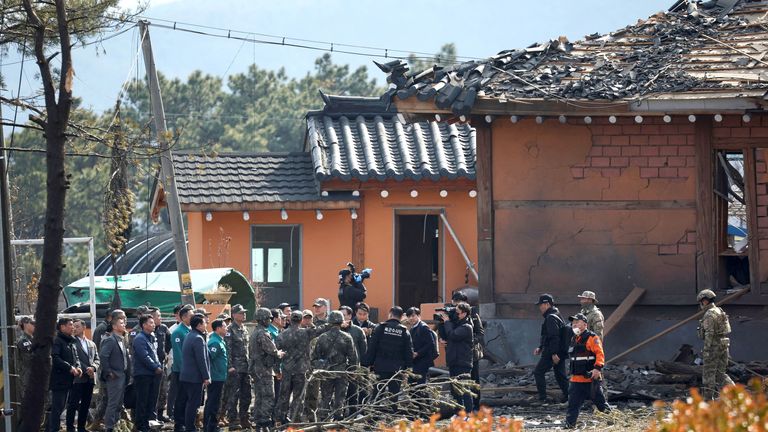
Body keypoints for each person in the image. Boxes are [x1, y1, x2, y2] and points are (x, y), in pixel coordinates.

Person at [275, 310, 330, 424]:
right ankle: (296, 419)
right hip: (301, 370)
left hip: (286, 370)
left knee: (284, 395)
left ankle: (281, 418)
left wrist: (277, 370)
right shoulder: (306, 333)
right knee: (298, 396)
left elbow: (276, 355)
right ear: (301, 320)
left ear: (290, 320)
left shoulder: (281, 335)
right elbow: (321, 329)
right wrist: (333, 322)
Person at [564, 313, 610, 428]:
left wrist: (597, 368)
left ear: (585, 324)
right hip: (576, 380)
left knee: (601, 404)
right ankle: (569, 426)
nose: (574, 325)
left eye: (577, 322)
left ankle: (613, 421)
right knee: (572, 405)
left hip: (590, 380)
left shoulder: (592, 338)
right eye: (573, 323)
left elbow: (600, 354)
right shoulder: (573, 339)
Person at [311, 311, 358, 420]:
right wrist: (353, 372)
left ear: (329, 322)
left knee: (325, 398)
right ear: (341, 322)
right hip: (342, 373)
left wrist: (322, 367)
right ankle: (337, 421)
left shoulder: (322, 337)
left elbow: (314, 358)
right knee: (339, 399)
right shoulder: (347, 337)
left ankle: (323, 421)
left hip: (326, 373)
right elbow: (353, 358)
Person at [363, 306, 414, 398]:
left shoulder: (380, 328)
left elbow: (372, 347)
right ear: (402, 316)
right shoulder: (404, 331)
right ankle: (393, 412)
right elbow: (409, 352)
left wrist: (367, 364)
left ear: (390, 314)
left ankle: (374, 411)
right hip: (397, 369)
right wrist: (408, 369)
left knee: (377, 393)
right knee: (394, 396)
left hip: (380, 367)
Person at [248, 307, 285, 429]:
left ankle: (258, 420)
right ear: (264, 319)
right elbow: (272, 350)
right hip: (263, 369)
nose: (270, 320)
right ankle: (264, 422)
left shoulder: (255, 332)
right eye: (268, 318)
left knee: (259, 396)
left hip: (256, 368)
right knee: (268, 396)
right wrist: (279, 353)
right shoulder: (263, 333)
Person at [697, 289, 735, 399]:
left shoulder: (709, 314)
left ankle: (708, 402)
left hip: (713, 347)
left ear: (705, 301)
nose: (701, 304)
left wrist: (706, 349)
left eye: (701, 301)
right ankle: (736, 395)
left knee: (708, 376)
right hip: (723, 345)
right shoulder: (719, 310)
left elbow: (709, 333)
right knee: (720, 374)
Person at [176, 314, 211, 432]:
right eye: (204, 323)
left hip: (186, 376)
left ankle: (187, 426)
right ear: (199, 325)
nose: (206, 324)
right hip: (194, 377)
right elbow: (202, 359)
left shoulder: (189, 335)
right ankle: (190, 428)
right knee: (193, 404)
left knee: (189, 403)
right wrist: (206, 376)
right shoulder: (198, 338)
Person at [437, 303, 474, 414]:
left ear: (464, 313)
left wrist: (448, 321)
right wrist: (442, 324)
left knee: (464, 389)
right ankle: (459, 413)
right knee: (455, 390)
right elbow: (446, 335)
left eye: (457, 313)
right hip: (453, 361)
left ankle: (468, 413)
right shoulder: (455, 324)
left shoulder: (466, 327)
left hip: (463, 362)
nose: (455, 315)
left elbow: (452, 335)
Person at [532, 294, 569, 403]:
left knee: (538, 372)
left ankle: (542, 398)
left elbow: (554, 336)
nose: (540, 307)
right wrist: (540, 347)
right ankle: (569, 396)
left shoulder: (551, 318)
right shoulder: (556, 314)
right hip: (560, 351)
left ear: (547, 304)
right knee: (560, 374)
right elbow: (547, 335)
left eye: (541, 305)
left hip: (552, 352)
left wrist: (553, 353)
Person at [48, 318, 82, 432]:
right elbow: (56, 358)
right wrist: (69, 367)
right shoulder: (57, 341)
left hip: (70, 381)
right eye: (70, 325)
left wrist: (78, 367)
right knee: (57, 409)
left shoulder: (71, 341)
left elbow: (76, 357)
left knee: (67, 407)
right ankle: (53, 429)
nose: (73, 327)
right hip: (60, 381)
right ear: (62, 327)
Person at [452, 291, 484, 410]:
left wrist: (469, 342)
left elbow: (480, 333)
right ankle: (459, 407)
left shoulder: (473, 314)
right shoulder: (454, 314)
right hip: (456, 352)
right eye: (455, 303)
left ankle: (476, 405)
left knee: (473, 379)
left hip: (471, 352)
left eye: (459, 303)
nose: (456, 306)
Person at [67, 319, 99, 432]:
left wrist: (94, 367)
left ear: (84, 327)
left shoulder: (91, 343)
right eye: (73, 326)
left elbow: (97, 359)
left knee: (86, 404)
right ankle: (70, 427)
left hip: (90, 379)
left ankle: (81, 427)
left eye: (77, 326)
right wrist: (86, 369)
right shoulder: (71, 342)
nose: (75, 328)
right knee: (73, 403)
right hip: (78, 378)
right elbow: (75, 359)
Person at [100, 315, 131, 432]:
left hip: (123, 375)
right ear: (114, 326)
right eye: (121, 323)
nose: (124, 325)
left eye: (124, 323)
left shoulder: (121, 339)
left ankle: (117, 425)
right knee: (113, 402)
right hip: (115, 376)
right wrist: (109, 371)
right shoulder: (110, 339)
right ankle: (109, 427)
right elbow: (103, 356)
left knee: (119, 402)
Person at [133, 315, 163, 432]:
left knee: (151, 400)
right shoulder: (140, 338)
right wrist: (155, 367)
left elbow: (154, 354)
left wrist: (158, 365)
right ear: (144, 325)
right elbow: (144, 356)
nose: (153, 324)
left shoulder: (151, 337)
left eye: (153, 322)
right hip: (143, 374)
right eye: (150, 323)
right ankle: (141, 425)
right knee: (143, 400)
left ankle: (149, 423)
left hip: (152, 374)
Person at [224, 304, 252, 429]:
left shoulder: (244, 328)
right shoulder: (230, 329)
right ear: (234, 315)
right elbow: (228, 349)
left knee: (246, 395)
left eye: (244, 312)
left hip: (245, 367)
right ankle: (233, 420)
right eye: (241, 313)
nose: (243, 314)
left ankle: (244, 418)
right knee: (233, 395)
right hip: (235, 368)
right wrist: (230, 366)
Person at [168, 304, 194, 420]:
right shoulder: (177, 332)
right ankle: (178, 420)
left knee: (187, 396)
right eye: (190, 316)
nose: (192, 318)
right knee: (180, 396)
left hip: (189, 369)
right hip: (181, 370)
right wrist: (186, 370)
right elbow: (178, 354)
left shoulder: (189, 330)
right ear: (183, 317)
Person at [204, 319, 228, 432]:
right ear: (218, 329)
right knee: (212, 403)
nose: (226, 328)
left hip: (220, 376)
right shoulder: (214, 342)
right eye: (224, 326)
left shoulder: (219, 340)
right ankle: (210, 427)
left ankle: (212, 426)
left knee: (215, 402)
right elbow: (209, 359)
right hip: (215, 377)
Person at [406, 307, 438, 385]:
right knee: (411, 386)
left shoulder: (423, 327)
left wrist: (418, 353)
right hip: (414, 362)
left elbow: (430, 344)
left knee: (421, 386)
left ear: (419, 316)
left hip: (422, 362)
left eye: (413, 316)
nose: (411, 318)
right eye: (409, 316)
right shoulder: (412, 328)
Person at [151, 307, 172, 422]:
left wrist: (166, 353)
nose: (160, 318)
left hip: (162, 364)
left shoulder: (163, 328)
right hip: (151, 367)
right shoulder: (146, 330)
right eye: (158, 316)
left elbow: (169, 341)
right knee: (152, 392)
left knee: (163, 390)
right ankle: (151, 415)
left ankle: (160, 413)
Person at [15, 316, 34, 424]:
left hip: (35, 377)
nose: (35, 325)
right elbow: (30, 359)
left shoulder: (33, 339)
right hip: (26, 378)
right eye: (32, 323)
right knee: (27, 406)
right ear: (25, 324)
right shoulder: (23, 341)